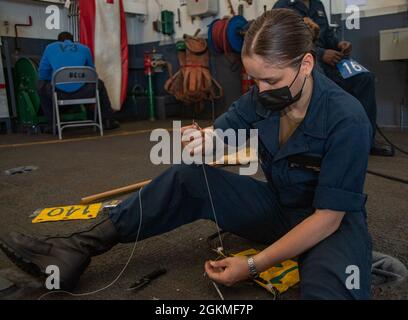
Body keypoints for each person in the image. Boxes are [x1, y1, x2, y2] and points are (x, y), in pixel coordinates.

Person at [0, 10, 373, 300]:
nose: (260, 90)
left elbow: (327, 218)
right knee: (188, 175)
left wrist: (252, 263)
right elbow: (222, 132)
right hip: (279, 209)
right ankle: (75, 250)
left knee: (329, 287)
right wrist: (203, 140)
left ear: (305, 65)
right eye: (253, 80)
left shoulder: (347, 119)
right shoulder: (262, 98)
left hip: (331, 224)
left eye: (270, 81)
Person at [273, 0, 394, 157]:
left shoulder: (317, 4)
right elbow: (284, 42)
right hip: (303, 64)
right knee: (319, 82)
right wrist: (322, 53)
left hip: (329, 63)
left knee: (364, 78)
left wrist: (339, 45)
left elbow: (327, 34)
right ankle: (319, 143)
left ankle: (367, 140)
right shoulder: (282, 6)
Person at [37, 32, 120, 132]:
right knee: (99, 83)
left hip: (59, 94)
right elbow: (92, 75)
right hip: (83, 93)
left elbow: (42, 74)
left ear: (58, 41)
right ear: (73, 41)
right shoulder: (84, 49)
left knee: (41, 86)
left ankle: (53, 124)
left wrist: (57, 80)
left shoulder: (50, 48)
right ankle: (108, 120)